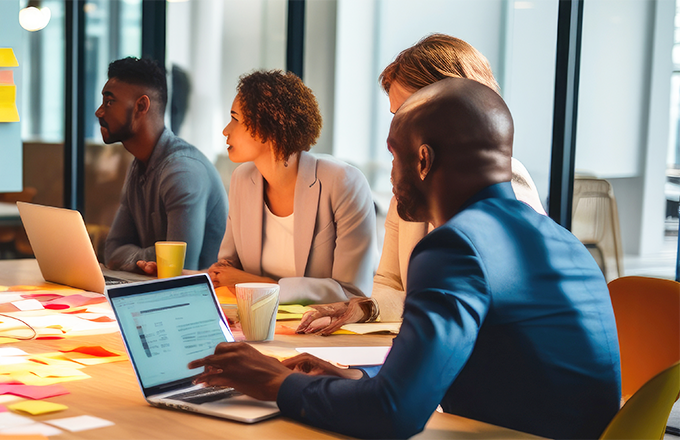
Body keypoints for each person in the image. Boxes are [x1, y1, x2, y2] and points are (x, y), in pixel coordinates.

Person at [189, 78, 621, 440]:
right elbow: (477, 379)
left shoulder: (455, 246)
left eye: (395, 157)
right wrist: (349, 379)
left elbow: (394, 414)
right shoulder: (562, 242)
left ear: (423, 159)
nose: (391, 177)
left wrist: (277, 383)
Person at [298, 33, 546, 334]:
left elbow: (479, 302)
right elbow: (390, 283)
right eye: (395, 116)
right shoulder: (410, 190)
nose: (396, 130)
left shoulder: (507, 183)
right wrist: (367, 308)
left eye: (407, 113)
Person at [208, 70, 377, 304]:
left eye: (235, 119)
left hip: (322, 331)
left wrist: (266, 287)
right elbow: (228, 266)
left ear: (268, 129)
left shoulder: (343, 182)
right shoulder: (242, 179)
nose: (226, 130)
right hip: (257, 319)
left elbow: (354, 293)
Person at [99, 57, 229, 273]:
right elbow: (112, 252)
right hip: (158, 292)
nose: (99, 112)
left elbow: (180, 268)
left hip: (200, 300)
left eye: (109, 102)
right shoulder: (139, 164)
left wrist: (142, 258)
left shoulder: (182, 171)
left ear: (141, 106)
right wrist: (153, 257)